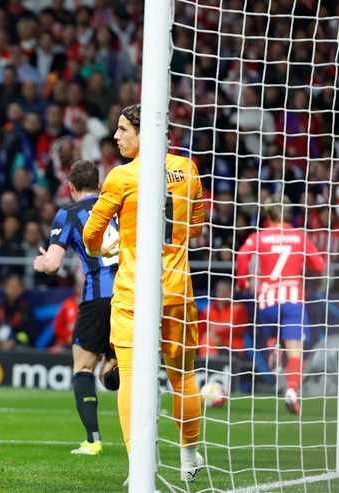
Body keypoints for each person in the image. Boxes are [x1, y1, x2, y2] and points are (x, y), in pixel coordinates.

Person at [82, 104, 206, 481]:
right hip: (176, 290)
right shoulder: (187, 169)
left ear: (142, 132)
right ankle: (189, 459)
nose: (116, 137)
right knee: (182, 376)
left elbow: (91, 235)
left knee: (134, 379)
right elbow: (197, 228)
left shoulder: (122, 177)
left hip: (134, 293)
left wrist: (102, 249)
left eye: (122, 129)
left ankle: (140, 468)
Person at [33, 159, 119, 456]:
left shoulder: (69, 213)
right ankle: (113, 366)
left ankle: (93, 441)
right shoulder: (117, 205)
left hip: (97, 296)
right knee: (118, 367)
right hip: (131, 293)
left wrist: (40, 262)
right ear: (99, 185)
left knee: (82, 366)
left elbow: (54, 264)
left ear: (70, 188)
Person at [236, 199, 326, 414]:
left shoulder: (259, 236)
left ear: (268, 216)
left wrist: (244, 282)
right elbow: (320, 265)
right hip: (293, 299)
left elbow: (242, 256)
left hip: (267, 300)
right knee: (295, 352)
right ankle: (292, 390)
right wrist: (312, 279)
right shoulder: (299, 236)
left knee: (273, 331)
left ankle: (273, 349)